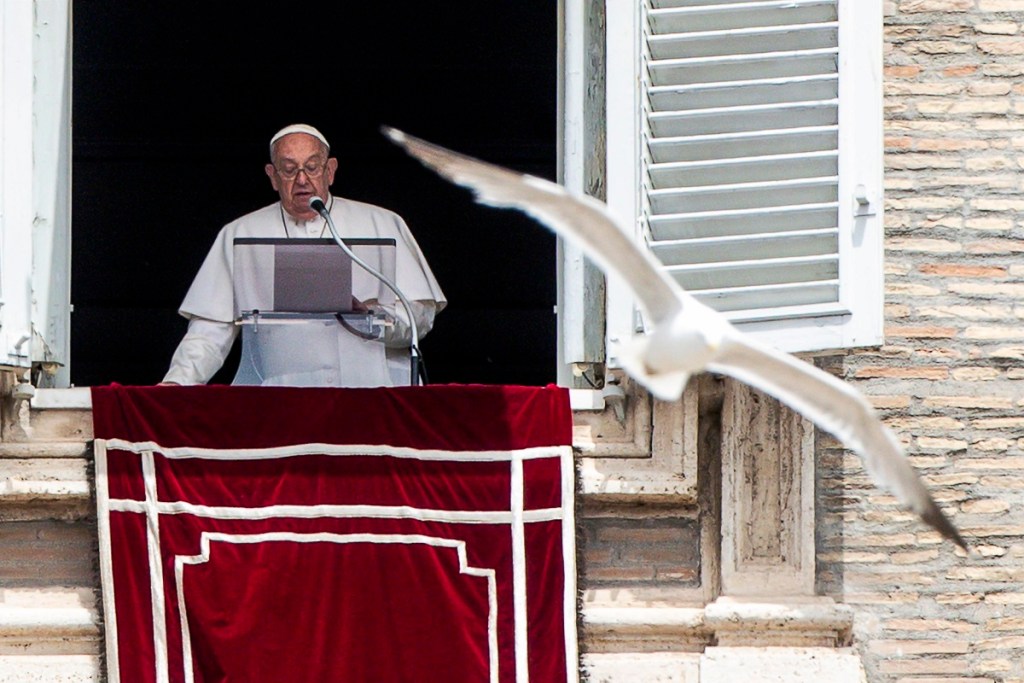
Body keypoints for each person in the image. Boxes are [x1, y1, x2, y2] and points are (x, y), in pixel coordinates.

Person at [161, 124, 446, 387]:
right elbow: (211, 329)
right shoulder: (240, 233)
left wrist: (373, 318)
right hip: (282, 397)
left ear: (330, 171)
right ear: (272, 176)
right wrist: (177, 383)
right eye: (289, 169)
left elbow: (420, 316)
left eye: (312, 167)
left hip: (372, 391)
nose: (302, 179)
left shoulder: (382, 223)